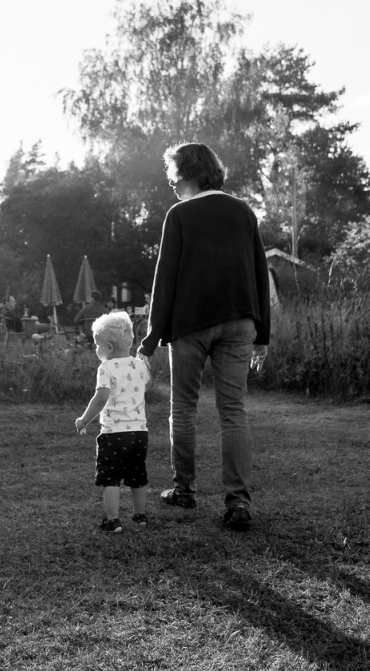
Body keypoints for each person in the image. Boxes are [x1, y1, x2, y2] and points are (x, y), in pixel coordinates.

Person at [137, 141, 270, 533]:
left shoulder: (180, 214)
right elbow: (259, 272)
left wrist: (150, 338)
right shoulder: (244, 211)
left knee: (184, 408)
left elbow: (166, 279)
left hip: (192, 323)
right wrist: (263, 333)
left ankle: (184, 490)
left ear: (188, 174)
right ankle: (239, 502)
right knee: (234, 410)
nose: (172, 186)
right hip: (240, 321)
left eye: (173, 178)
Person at [75, 310, 152, 533]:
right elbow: (147, 386)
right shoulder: (139, 365)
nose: (96, 349)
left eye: (97, 345)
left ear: (108, 347)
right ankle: (140, 517)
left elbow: (101, 398)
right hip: (139, 433)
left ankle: (113, 520)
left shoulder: (106, 368)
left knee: (111, 478)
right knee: (137, 476)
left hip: (113, 434)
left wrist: (84, 420)